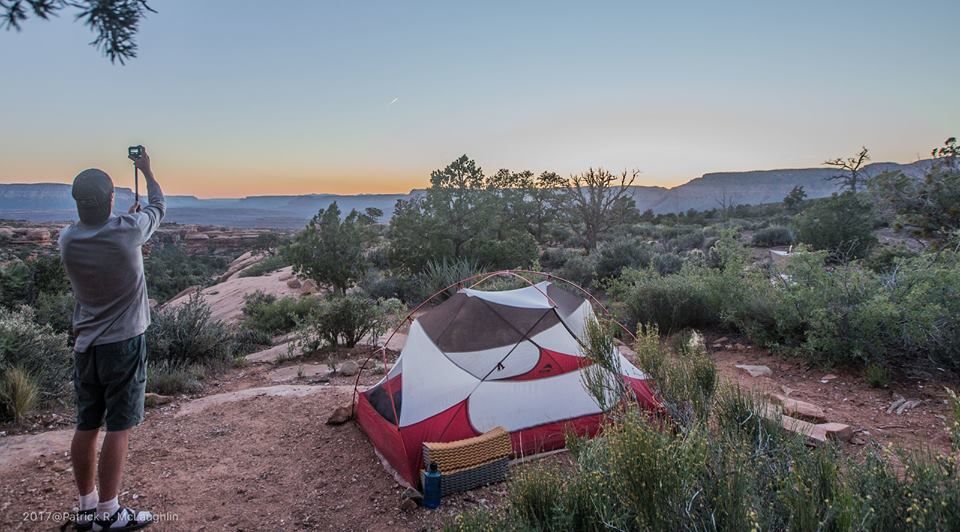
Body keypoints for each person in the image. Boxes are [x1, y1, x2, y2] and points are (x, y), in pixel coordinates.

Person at [58, 146, 165, 531]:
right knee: (119, 426)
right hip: (123, 343)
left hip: (86, 345)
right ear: (111, 199)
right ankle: (110, 513)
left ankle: (86, 508)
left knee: (87, 424)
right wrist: (148, 171)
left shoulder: (67, 240)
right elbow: (159, 206)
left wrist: (125, 225)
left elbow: (101, 232)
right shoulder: (129, 231)